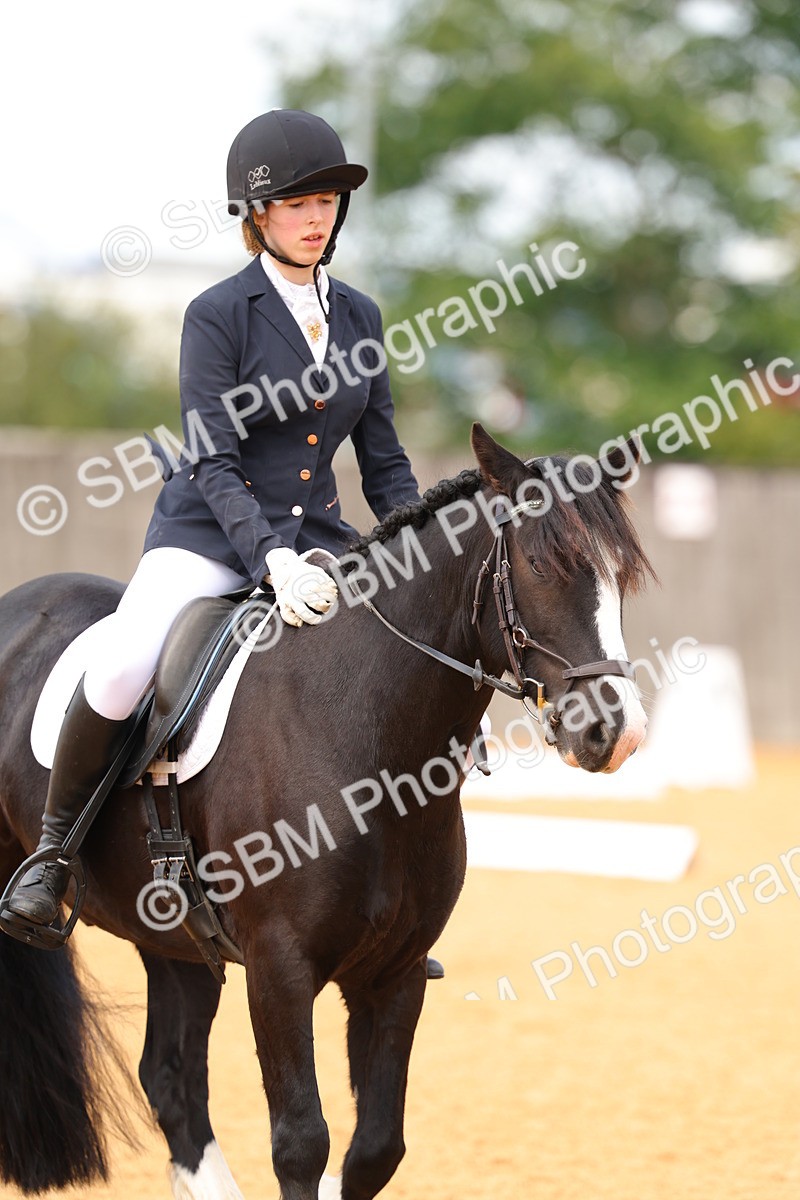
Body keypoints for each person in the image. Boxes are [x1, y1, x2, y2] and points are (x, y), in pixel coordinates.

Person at [6, 109, 421, 928]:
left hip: (321, 541)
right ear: (257, 214)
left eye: (329, 201)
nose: (316, 217)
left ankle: (386, 903)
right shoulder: (217, 313)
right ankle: (53, 854)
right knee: (125, 665)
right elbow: (214, 457)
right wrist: (271, 559)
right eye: (298, 204)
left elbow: (385, 463)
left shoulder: (362, 318)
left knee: (400, 659)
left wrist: (420, 549)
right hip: (208, 535)